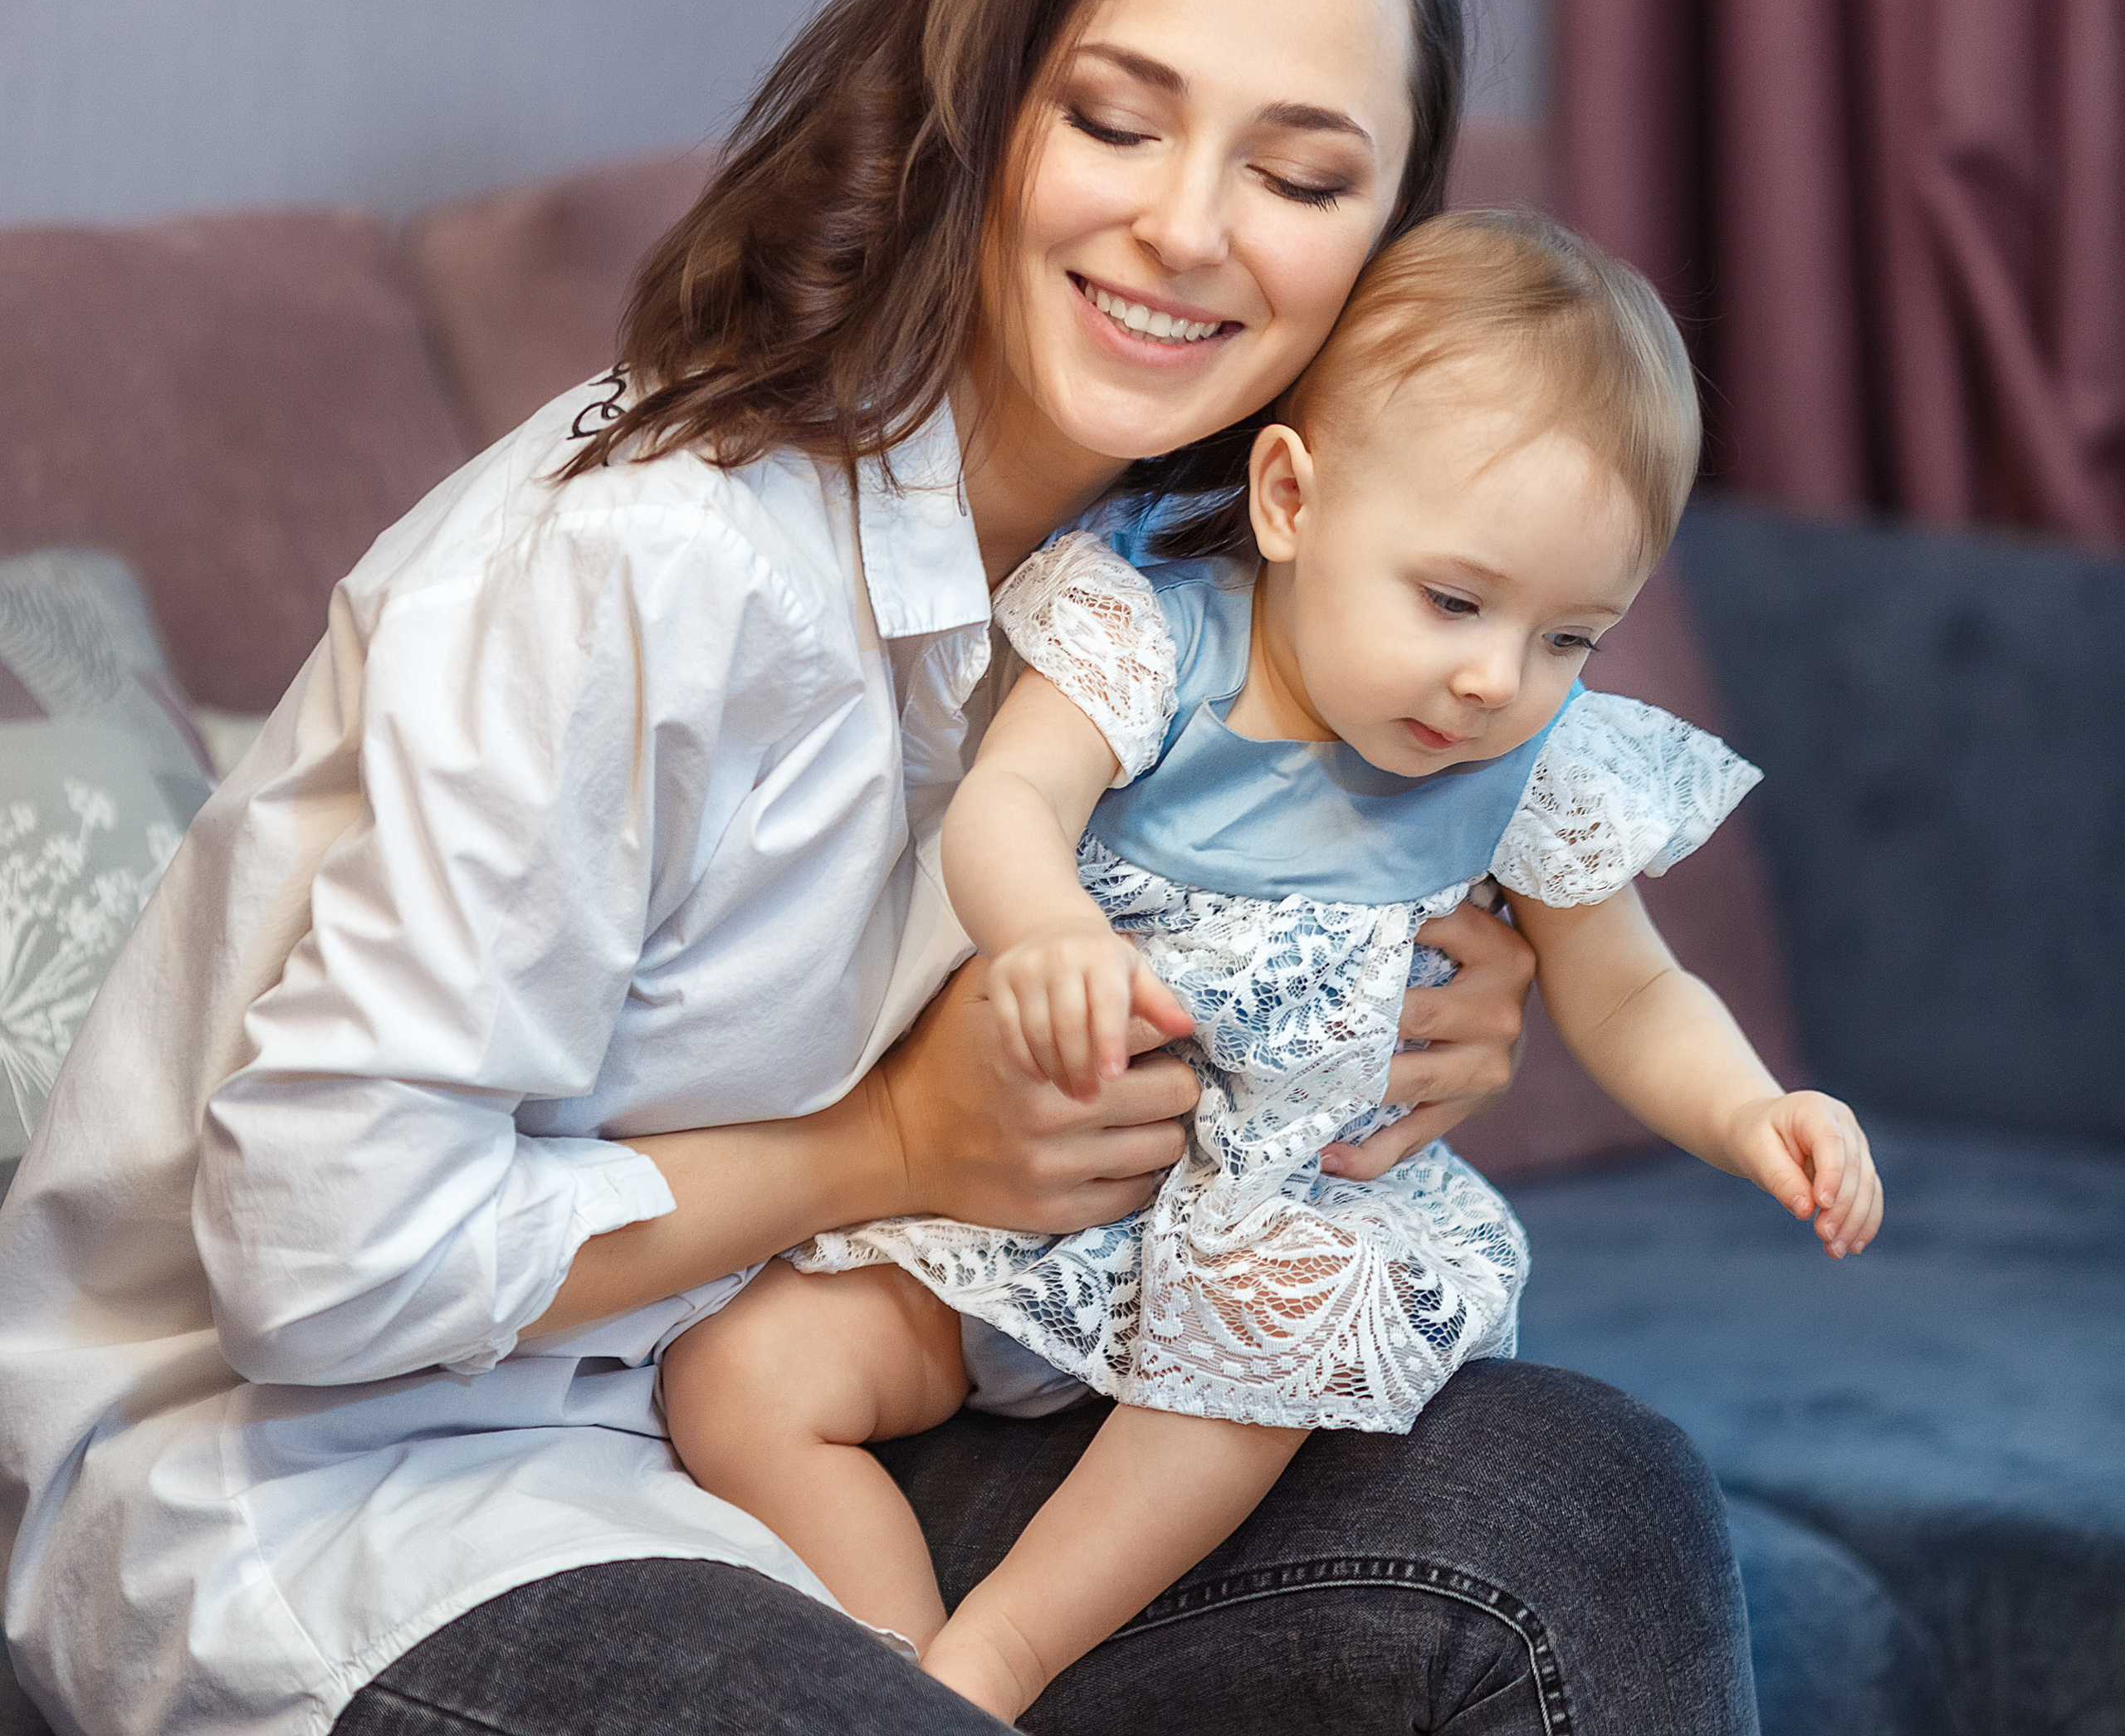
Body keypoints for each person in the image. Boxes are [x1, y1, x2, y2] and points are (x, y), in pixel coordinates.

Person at [0, 0, 1761, 1736]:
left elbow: (1294, 966)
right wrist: (885, 1142)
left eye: (1298, 174)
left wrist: (1419, 1011)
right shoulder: (648, 562)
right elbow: (321, 1264)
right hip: (373, 1484)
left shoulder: (1221, 578)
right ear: (977, 102)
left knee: (1584, 1508)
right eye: (1113, 117)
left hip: (820, 1384)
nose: (1189, 229)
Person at [662, 210, 1885, 1721]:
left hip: (1263, 1233)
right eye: (1453, 599)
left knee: (1263, 1341)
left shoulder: (1534, 768)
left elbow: (1631, 992)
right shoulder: (1156, 641)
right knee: (739, 1380)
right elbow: (1008, 804)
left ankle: (1002, 1660)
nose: (1495, 679)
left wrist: (1752, 1113)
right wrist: (1050, 935)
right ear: (1293, 498)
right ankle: (899, 1674)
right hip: (1019, 1213)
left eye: (1573, 637)